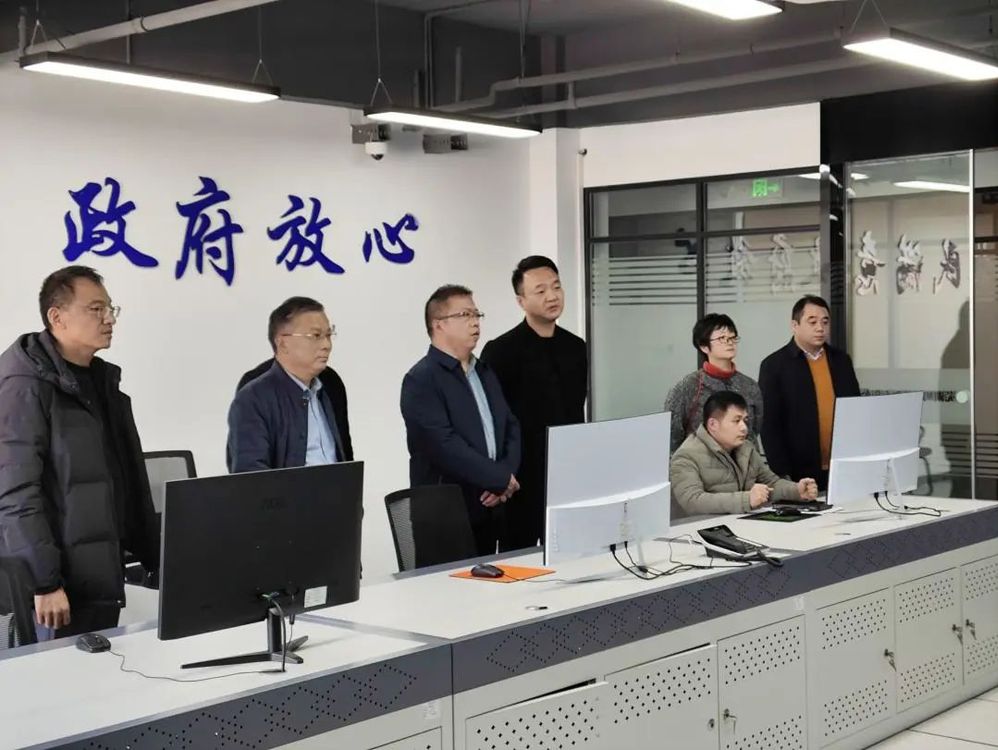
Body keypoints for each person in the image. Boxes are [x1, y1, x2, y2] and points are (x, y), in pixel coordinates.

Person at [0, 265, 159, 639]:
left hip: (99, 573)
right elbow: (15, 493)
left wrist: (156, 557)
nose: (109, 319)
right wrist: (44, 582)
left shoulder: (100, 381)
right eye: (96, 309)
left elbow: (124, 478)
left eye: (110, 309)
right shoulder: (25, 387)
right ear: (57, 317)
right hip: (56, 590)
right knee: (57, 675)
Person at [401, 285, 521, 556]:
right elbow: (444, 445)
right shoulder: (421, 379)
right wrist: (499, 478)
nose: (475, 322)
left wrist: (505, 478)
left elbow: (510, 426)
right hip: (446, 516)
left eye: (477, 314)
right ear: (439, 324)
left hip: (490, 507)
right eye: (465, 315)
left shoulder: (484, 371)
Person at [480, 256, 587, 550]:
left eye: (556, 287)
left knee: (574, 556)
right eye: (540, 291)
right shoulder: (500, 351)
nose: (552, 296)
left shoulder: (576, 347)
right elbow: (492, 421)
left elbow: (577, 410)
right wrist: (498, 475)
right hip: (520, 478)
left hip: (567, 475)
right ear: (521, 301)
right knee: (519, 561)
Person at [228, 297, 351, 472]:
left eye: (328, 335)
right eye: (316, 336)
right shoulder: (253, 397)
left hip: (338, 489)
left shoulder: (331, 384)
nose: (327, 345)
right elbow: (251, 476)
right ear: (283, 343)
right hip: (288, 490)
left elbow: (346, 460)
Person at [759, 295, 860, 489]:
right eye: (812, 322)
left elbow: (855, 411)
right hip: (799, 473)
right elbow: (769, 425)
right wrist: (782, 474)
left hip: (842, 465)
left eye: (825, 322)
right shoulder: (774, 365)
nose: (820, 328)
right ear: (794, 325)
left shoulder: (841, 361)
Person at [671, 391, 818, 516]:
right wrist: (746, 500)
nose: (744, 428)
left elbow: (770, 483)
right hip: (700, 530)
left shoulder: (746, 448)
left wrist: (796, 491)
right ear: (713, 424)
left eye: (745, 420)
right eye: (736, 421)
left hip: (742, 522)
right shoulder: (686, 456)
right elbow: (692, 501)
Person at [663, 313, 763, 453]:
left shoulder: (750, 386)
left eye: (732, 338)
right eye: (722, 338)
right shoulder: (687, 387)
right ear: (704, 346)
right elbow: (672, 437)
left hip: (744, 462)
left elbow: (754, 428)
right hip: (700, 462)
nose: (729, 342)